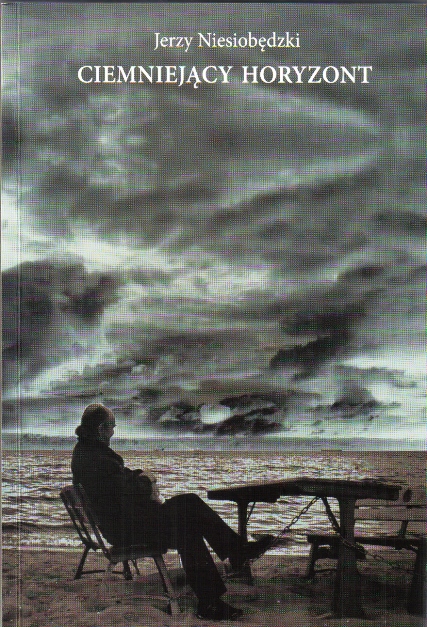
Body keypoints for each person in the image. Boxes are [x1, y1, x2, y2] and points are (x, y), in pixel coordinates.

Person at [71, 403, 273, 620]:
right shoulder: (96, 457)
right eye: (112, 427)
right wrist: (146, 482)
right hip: (128, 528)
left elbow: (120, 483)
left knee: (188, 519)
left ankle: (213, 597)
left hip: (124, 523)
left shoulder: (87, 452)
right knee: (189, 506)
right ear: (101, 428)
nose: (113, 432)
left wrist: (140, 477)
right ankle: (234, 559)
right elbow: (126, 491)